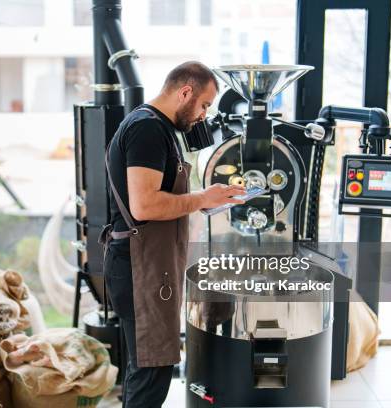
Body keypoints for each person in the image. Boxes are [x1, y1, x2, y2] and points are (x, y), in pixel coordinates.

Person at [101, 61, 246, 407]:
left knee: (149, 369)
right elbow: (144, 206)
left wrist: (207, 201)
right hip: (140, 269)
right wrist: (201, 199)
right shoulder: (147, 130)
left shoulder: (162, 129)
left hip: (150, 267)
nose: (204, 115)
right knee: (152, 373)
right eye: (204, 105)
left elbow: (165, 195)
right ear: (185, 92)